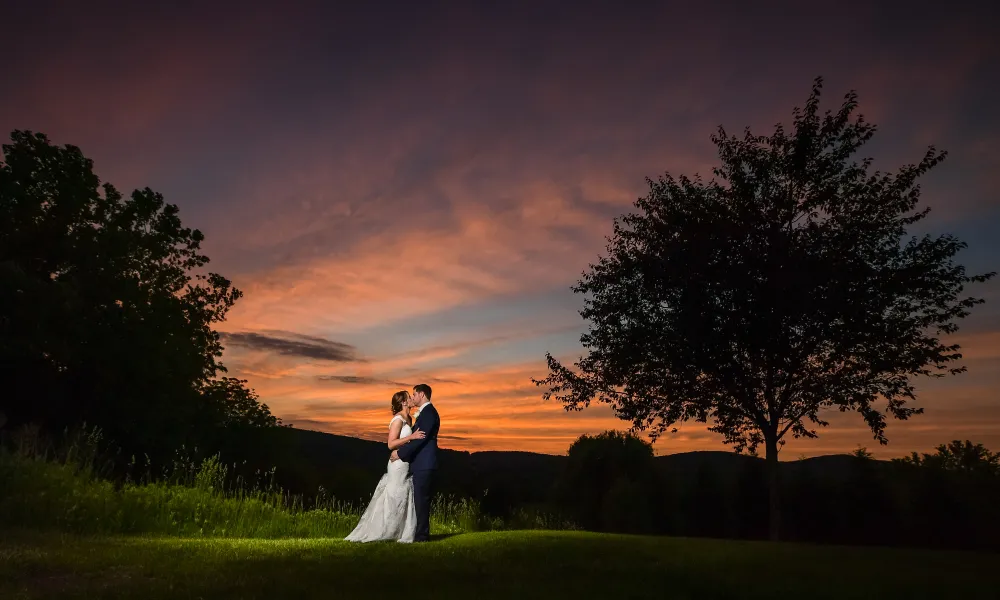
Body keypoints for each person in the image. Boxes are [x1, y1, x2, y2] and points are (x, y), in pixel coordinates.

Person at [344, 390, 426, 543]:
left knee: (403, 494)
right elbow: (391, 444)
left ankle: (400, 531)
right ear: (403, 402)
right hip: (397, 465)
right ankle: (385, 529)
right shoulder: (398, 419)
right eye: (408, 398)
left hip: (406, 461)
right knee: (394, 494)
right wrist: (412, 437)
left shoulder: (409, 418)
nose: (411, 400)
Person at [391, 383, 439, 542]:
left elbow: (420, 439)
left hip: (424, 464)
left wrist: (400, 454)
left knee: (421, 500)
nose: (412, 398)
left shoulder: (429, 413)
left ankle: (422, 536)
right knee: (418, 500)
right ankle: (417, 534)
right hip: (419, 463)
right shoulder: (424, 413)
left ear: (422, 394)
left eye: (414, 394)